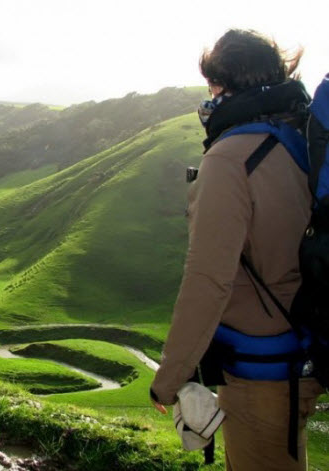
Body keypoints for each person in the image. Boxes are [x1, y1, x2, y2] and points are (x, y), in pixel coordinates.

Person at [149, 29, 324, 470]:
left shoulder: (230, 158)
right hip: (305, 348)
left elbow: (208, 276)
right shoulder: (300, 137)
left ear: (220, 85)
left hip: (261, 368)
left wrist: (172, 377)